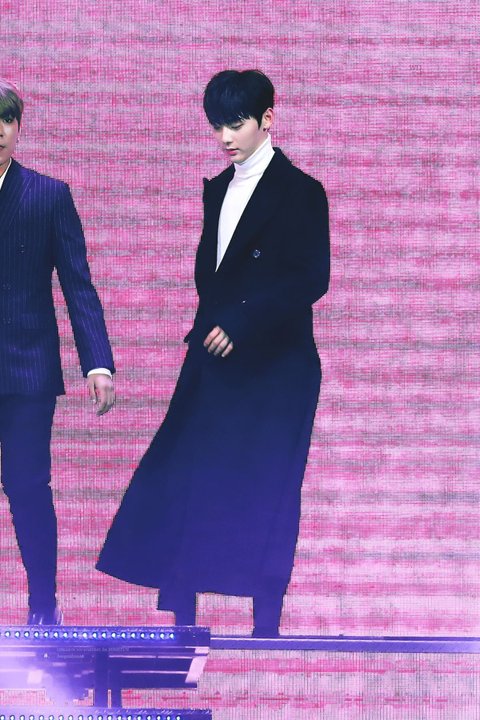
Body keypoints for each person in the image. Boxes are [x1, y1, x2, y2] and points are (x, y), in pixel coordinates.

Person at [97, 69, 329, 637]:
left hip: (278, 369)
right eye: (217, 125)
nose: (225, 136)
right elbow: (214, 276)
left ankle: (265, 625)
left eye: (236, 123)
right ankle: (182, 617)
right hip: (214, 358)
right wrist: (217, 326)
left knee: (267, 488)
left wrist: (242, 321)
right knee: (186, 475)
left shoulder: (301, 191)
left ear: (267, 119)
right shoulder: (219, 189)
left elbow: (311, 278)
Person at [0, 79, 115, 625]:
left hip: (27, 370)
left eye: (6, 119)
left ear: (19, 126)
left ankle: (43, 607)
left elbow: (78, 285)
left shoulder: (48, 195)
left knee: (26, 486)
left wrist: (97, 362)